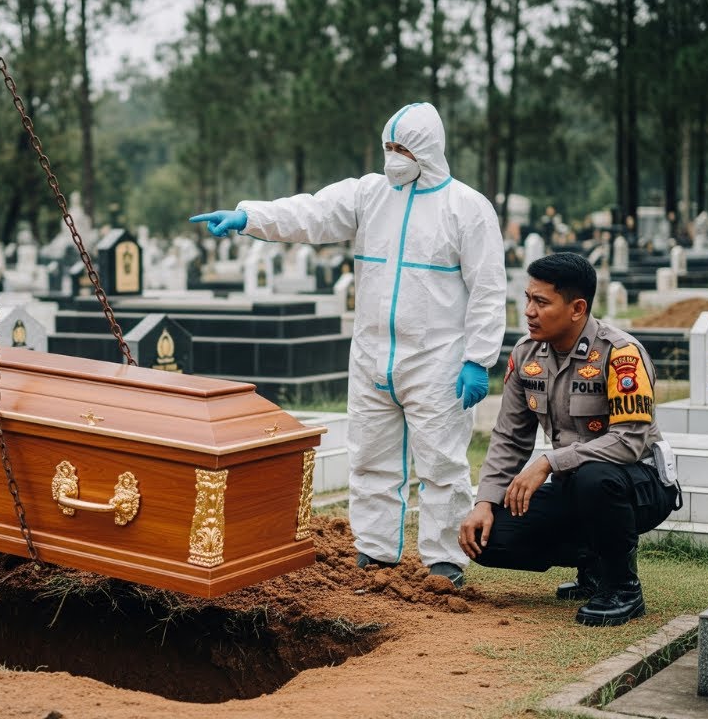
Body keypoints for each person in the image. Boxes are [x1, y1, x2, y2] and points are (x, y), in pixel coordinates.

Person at [190, 102, 506, 588]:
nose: (393, 157)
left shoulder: (466, 208)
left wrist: (477, 359)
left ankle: (444, 562)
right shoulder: (369, 195)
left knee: (441, 463)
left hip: (437, 361)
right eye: (388, 147)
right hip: (372, 355)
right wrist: (248, 216)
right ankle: (375, 553)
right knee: (369, 457)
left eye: (402, 149)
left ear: (427, 151)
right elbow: (310, 212)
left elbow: (487, 289)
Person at [458, 252, 680, 626]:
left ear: (577, 308)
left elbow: (629, 441)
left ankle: (622, 588)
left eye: (541, 302)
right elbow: (510, 439)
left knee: (594, 477)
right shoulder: (526, 356)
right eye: (527, 298)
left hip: (639, 484)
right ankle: (593, 563)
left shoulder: (621, 354)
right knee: (489, 538)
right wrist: (485, 501)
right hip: (576, 486)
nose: (528, 311)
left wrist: (548, 462)